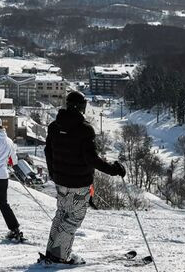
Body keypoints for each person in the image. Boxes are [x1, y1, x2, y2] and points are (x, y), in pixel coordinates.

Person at [41, 91, 126, 265]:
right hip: (78, 183)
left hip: (60, 181)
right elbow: (91, 159)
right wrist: (113, 170)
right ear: (81, 107)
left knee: (62, 215)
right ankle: (60, 256)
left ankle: (53, 251)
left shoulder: (54, 126)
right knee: (72, 219)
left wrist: (53, 173)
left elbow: (48, 151)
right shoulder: (84, 129)